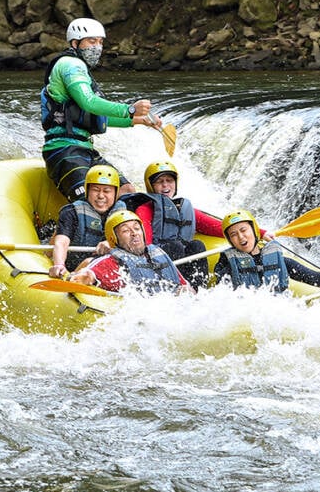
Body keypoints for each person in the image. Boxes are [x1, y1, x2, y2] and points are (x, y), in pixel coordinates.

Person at [41, 17, 159, 202]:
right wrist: (129, 110)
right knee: (92, 202)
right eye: (91, 41)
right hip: (64, 151)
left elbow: (94, 116)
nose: (97, 47)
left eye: (100, 42)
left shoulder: (80, 69)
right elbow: (89, 102)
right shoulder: (71, 65)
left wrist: (138, 120)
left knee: (125, 189)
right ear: (75, 43)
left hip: (85, 150)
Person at [214, 210, 320, 300]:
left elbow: (316, 277)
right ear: (230, 240)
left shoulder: (278, 260)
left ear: (255, 231)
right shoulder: (227, 264)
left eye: (244, 230)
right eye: (234, 234)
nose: (241, 237)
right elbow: (221, 297)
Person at [124, 160, 225, 289]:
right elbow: (145, 242)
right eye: (160, 182)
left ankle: (198, 290)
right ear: (151, 186)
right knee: (175, 246)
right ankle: (178, 289)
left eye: (169, 181)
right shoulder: (145, 209)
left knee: (197, 245)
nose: (165, 185)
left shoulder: (186, 210)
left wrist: (257, 233)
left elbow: (221, 227)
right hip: (155, 262)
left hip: (181, 263)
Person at [71, 210, 187, 294]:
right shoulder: (110, 263)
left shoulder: (158, 254)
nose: (134, 233)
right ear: (113, 239)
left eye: (137, 228)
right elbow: (88, 275)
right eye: (125, 230)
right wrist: (82, 279)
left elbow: (185, 286)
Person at [47, 164, 126, 278]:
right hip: (73, 265)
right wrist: (59, 264)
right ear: (87, 191)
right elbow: (61, 242)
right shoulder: (72, 211)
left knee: (91, 262)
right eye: (96, 190)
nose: (100, 196)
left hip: (102, 268)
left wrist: (112, 243)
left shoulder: (123, 213)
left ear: (115, 193)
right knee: (88, 262)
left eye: (107, 191)